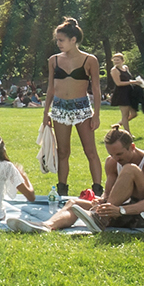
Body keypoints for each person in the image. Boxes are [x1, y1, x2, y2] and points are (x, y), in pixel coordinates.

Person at [53, 126, 144, 230]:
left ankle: (100, 217)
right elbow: (108, 193)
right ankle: (47, 226)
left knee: (130, 169)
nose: (116, 158)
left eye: (119, 154)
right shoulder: (112, 162)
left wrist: (121, 210)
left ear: (132, 147)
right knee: (73, 203)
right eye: (111, 154)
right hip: (128, 206)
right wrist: (102, 200)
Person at [42, 16, 103, 196]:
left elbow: (97, 90)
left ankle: (98, 190)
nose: (58, 44)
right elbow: (51, 88)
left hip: (82, 108)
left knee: (90, 151)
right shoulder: (53, 60)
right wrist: (46, 113)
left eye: (61, 40)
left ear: (73, 40)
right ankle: (62, 190)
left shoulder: (90, 60)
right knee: (63, 152)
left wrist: (97, 115)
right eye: (57, 40)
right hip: (59, 108)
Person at [109, 52, 141, 127]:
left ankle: (117, 125)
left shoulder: (125, 68)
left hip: (129, 92)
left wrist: (136, 82)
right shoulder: (114, 70)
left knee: (134, 114)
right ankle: (128, 134)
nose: (116, 62)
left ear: (122, 61)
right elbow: (118, 83)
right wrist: (133, 82)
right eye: (114, 60)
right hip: (121, 93)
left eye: (118, 60)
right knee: (125, 115)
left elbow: (128, 78)